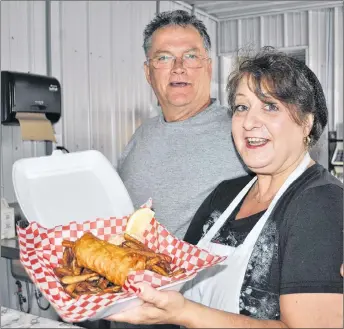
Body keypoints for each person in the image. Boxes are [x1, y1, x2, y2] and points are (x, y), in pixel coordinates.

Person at [107, 48, 343, 328]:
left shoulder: (321, 202)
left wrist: (185, 313)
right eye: (242, 107)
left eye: (270, 106)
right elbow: (176, 273)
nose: (249, 122)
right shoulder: (225, 195)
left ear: (307, 122)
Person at [117, 10, 247, 240]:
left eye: (191, 56)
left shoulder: (241, 130)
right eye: (164, 57)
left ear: (208, 67)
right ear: (148, 72)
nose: (178, 66)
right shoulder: (140, 135)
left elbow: (295, 185)